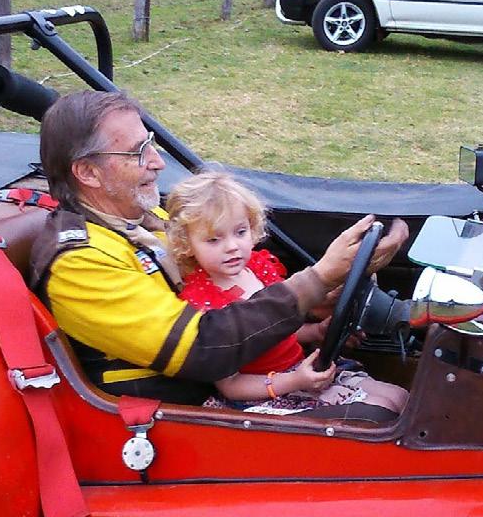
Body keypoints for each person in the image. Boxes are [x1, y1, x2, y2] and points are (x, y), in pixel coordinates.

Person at [29, 90, 409, 420]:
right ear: (88, 173)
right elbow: (204, 346)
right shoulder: (79, 263)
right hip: (184, 412)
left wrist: (322, 297)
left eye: (151, 144)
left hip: (241, 379)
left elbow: (234, 289)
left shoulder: (145, 218)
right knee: (384, 422)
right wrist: (316, 279)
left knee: (405, 400)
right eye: (137, 152)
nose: (157, 162)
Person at [166, 170, 409, 416]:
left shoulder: (258, 267)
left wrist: (316, 331)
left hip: (300, 370)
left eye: (240, 232)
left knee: (400, 397)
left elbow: (277, 329)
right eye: (213, 240)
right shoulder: (202, 305)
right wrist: (294, 381)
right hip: (266, 392)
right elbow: (231, 386)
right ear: (187, 244)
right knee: (382, 411)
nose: (232, 247)